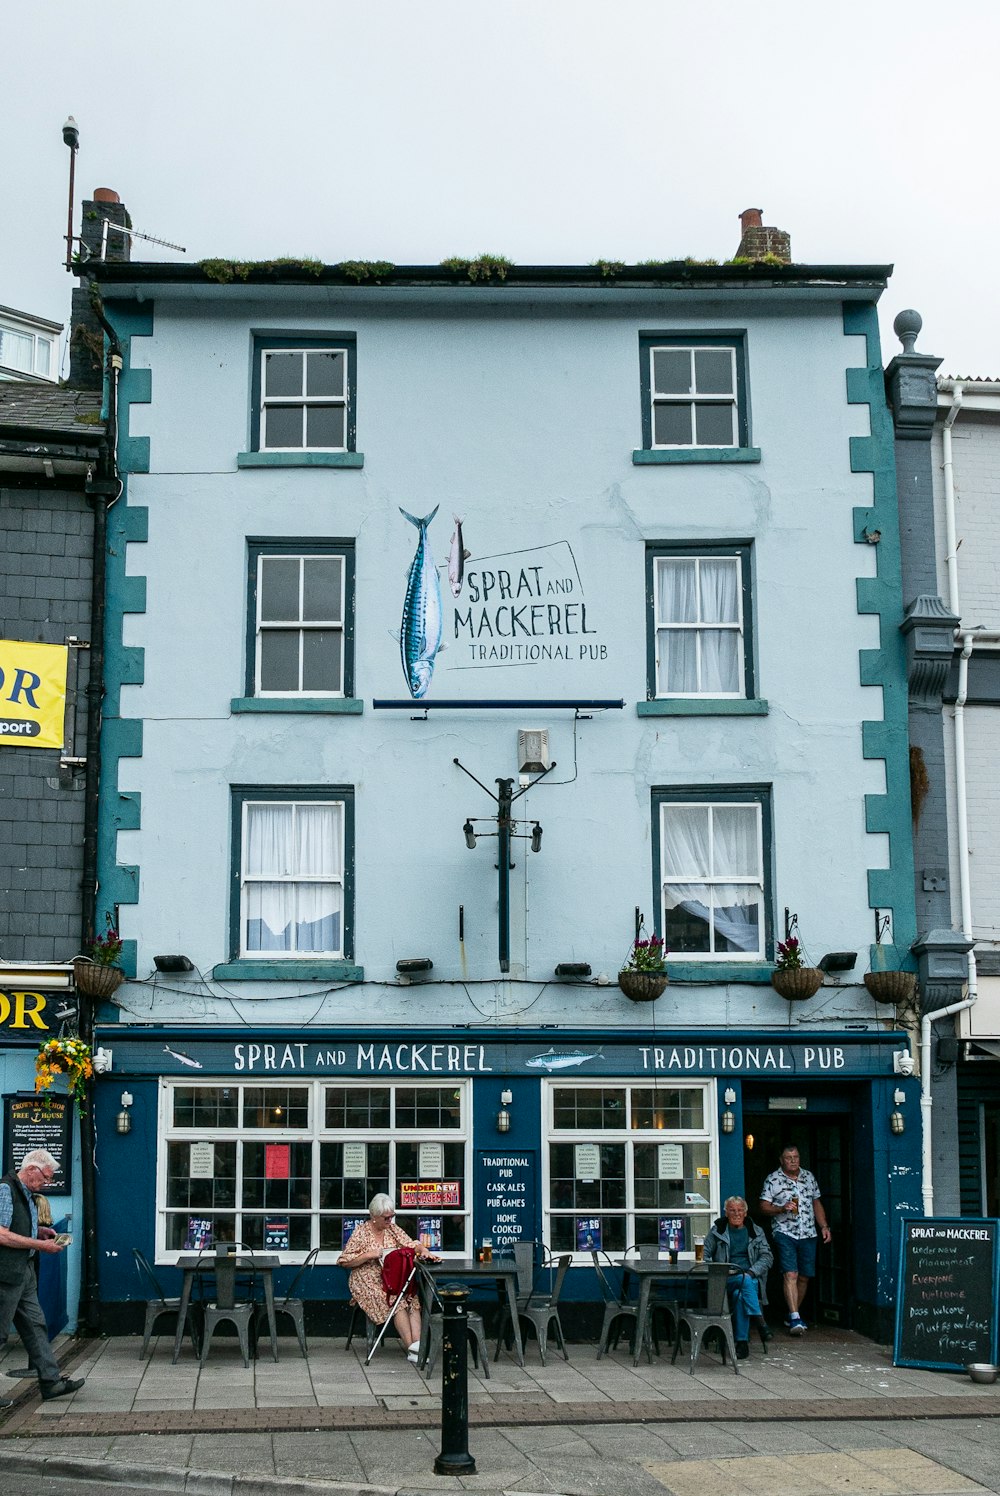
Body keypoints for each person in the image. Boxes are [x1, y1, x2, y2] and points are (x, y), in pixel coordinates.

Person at [0, 1150, 84, 1406]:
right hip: (4, 1274)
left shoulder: (26, 1193)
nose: (47, 1183)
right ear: (32, 1169)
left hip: (23, 1273)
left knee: (37, 1327)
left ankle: (51, 1382)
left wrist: (39, 1230)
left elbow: (14, 1226)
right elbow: (1, 1234)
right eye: (46, 1178)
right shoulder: (5, 1190)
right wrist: (38, 1244)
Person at [338, 1193, 440, 1362]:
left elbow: (412, 1244)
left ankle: (418, 1346)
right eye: (386, 1218)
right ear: (373, 1216)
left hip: (392, 1277)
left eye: (391, 1217)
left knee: (412, 1298)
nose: (389, 1221)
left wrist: (423, 1250)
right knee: (396, 1301)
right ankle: (411, 1350)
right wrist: (368, 1255)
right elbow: (344, 1261)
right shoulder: (361, 1232)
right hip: (366, 1279)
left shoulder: (392, 1230)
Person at [758, 1143, 832, 1335]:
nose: (793, 1161)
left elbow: (816, 1202)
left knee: (805, 1276)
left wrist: (824, 1226)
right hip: (785, 1231)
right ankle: (795, 1318)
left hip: (808, 1232)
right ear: (781, 1160)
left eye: (796, 1157)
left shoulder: (808, 1177)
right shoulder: (773, 1179)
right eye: (789, 1158)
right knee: (790, 1273)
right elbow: (763, 1206)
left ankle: (791, 1314)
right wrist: (781, 1209)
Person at [703, 1196, 773, 1359]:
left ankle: (742, 1343)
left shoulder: (756, 1231)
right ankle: (760, 1321)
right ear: (726, 1213)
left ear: (746, 1212)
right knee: (745, 1283)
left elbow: (767, 1257)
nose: (736, 1213)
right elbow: (705, 1256)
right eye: (732, 1210)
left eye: (740, 1210)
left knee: (740, 1295)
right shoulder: (717, 1231)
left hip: (750, 1277)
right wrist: (719, 1271)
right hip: (725, 1280)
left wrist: (752, 1272)